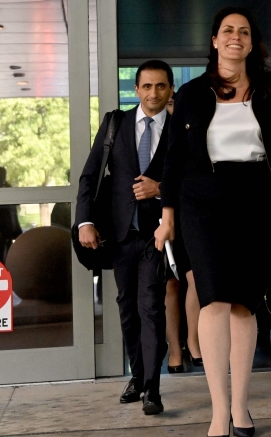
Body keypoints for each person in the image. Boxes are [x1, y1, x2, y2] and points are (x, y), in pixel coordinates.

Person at [159, 7, 271, 437]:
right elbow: (173, 159)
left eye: (243, 32)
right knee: (214, 300)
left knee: (244, 303)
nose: (235, 37)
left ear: (250, 43)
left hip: (255, 198)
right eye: (227, 31)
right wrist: (167, 218)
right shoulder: (192, 93)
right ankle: (219, 411)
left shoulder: (270, 92)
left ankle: (241, 407)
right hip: (203, 201)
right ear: (215, 41)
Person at [75, 60, 175, 415]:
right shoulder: (116, 123)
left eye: (160, 86)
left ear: (170, 89)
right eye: (146, 87)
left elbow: (193, 180)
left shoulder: (180, 128)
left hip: (156, 235)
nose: (153, 93)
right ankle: (138, 374)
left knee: (150, 306)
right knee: (126, 308)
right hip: (118, 234)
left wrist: (160, 188)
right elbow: (89, 177)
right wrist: (84, 221)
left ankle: (152, 388)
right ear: (136, 90)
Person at [164, 92, 202, 373]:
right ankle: (176, 350)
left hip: (189, 214)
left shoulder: (192, 130)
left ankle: (194, 340)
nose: (172, 108)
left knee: (196, 279)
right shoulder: (155, 130)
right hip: (162, 217)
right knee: (171, 285)